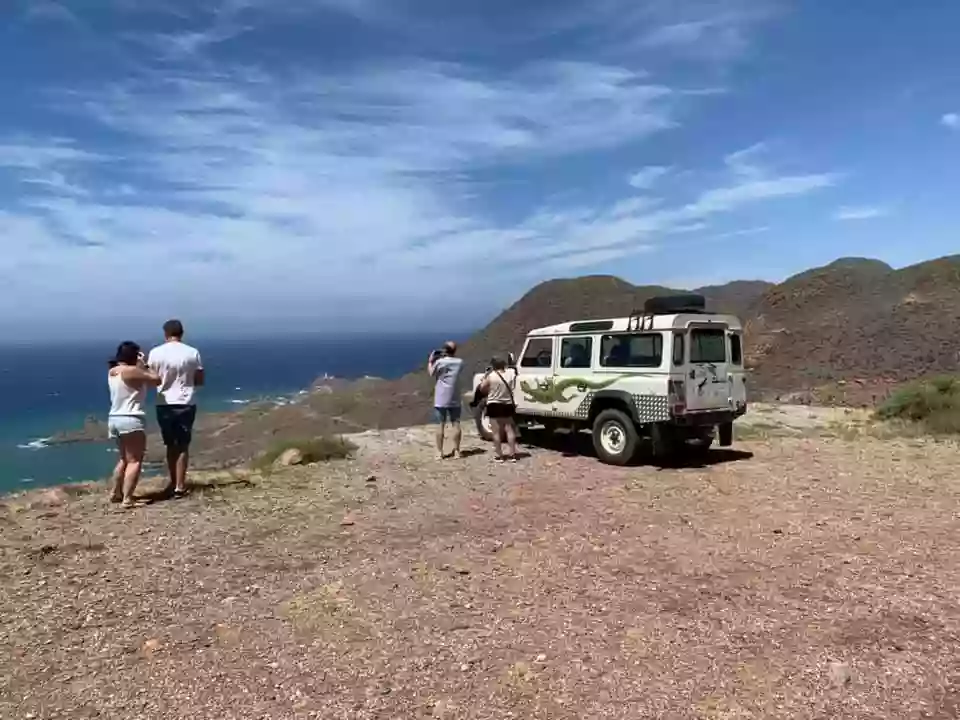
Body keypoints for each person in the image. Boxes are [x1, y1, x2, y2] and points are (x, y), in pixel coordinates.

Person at [147, 319, 204, 498]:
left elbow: (150, 378)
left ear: (165, 333)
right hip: (186, 402)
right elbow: (200, 379)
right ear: (182, 333)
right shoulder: (192, 352)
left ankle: (172, 483)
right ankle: (180, 485)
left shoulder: (155, 353)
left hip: (164, 403)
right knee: (183, 445)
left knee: (170, 445)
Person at [107, 341, 161, 508]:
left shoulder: (112, 371)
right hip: (131, 419)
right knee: (135, 460)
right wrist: (144, 364)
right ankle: (127, 499)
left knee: (124, 459)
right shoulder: (131, 371)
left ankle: (116, 492)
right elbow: (156, 380)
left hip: (115, 418)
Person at [478, 356, 518, 463]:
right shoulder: (510, 374)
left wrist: (486, 376)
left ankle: (500, 455)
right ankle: (513, 454)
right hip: (508, 404)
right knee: (510, 430)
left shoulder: (491, 376)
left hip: (494, 404)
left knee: (496, 432)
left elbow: (482, 388)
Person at [428, 340, 463, 460]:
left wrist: (430, 360)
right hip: (455, 397)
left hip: (441, 397)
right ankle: (457, 451)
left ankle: (439, 452)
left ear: (444, 350)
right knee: (456, 424)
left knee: (440, 425)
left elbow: (431, 373)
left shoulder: (439, 362)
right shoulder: (459, 362)